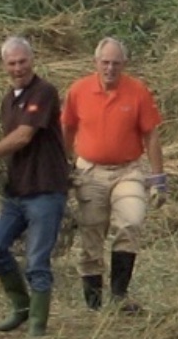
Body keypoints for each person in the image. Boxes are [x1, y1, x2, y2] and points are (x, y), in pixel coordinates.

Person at [61, 37, 166, 314]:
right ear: (95, 63)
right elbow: (67, 130)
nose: (110, 69)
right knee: (91, 231)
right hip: (90, 170)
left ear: (124, 64)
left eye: (116, 64)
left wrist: (158, 179)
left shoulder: (137, 91)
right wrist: (63, 167)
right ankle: (93, 305)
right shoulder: (78, 91)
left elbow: (151, 135)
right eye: (105, 63)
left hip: (128, 170)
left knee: (131, 221)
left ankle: (120, 295)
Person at [0, 37, 70, 338]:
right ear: (4, 65)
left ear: (32, 60)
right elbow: (14, 145)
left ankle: (37, 324)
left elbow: (22, 136)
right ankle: (21, 306)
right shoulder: (9, 100)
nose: (18, 68)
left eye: (22, 61)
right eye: (12, 63)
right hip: (16, 191)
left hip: (46, 189)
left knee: (37, 261)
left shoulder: (43, 92)